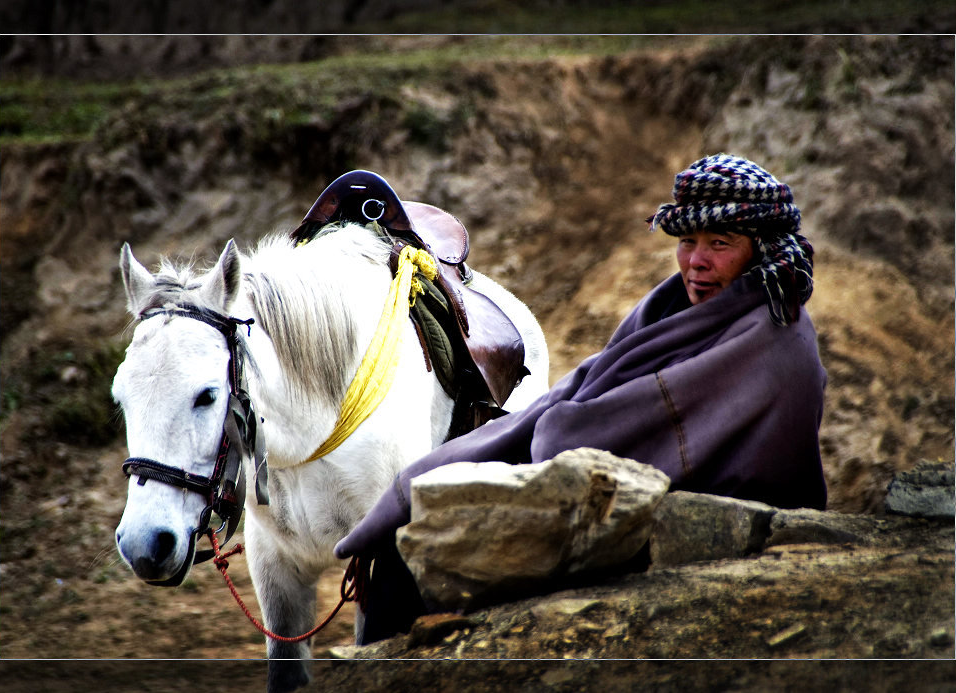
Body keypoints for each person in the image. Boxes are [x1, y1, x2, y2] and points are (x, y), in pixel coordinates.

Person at [335, 153, 827, 643]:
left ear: (762, 250)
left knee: (413, 559)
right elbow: (594, 386)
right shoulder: (675, 306)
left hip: (677, 523)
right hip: (613, 487)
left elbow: (628, 430)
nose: (697, 261)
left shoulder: (770, 341)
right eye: (688, 242)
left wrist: (560, 433)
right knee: (417, 519)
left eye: (720, 244)